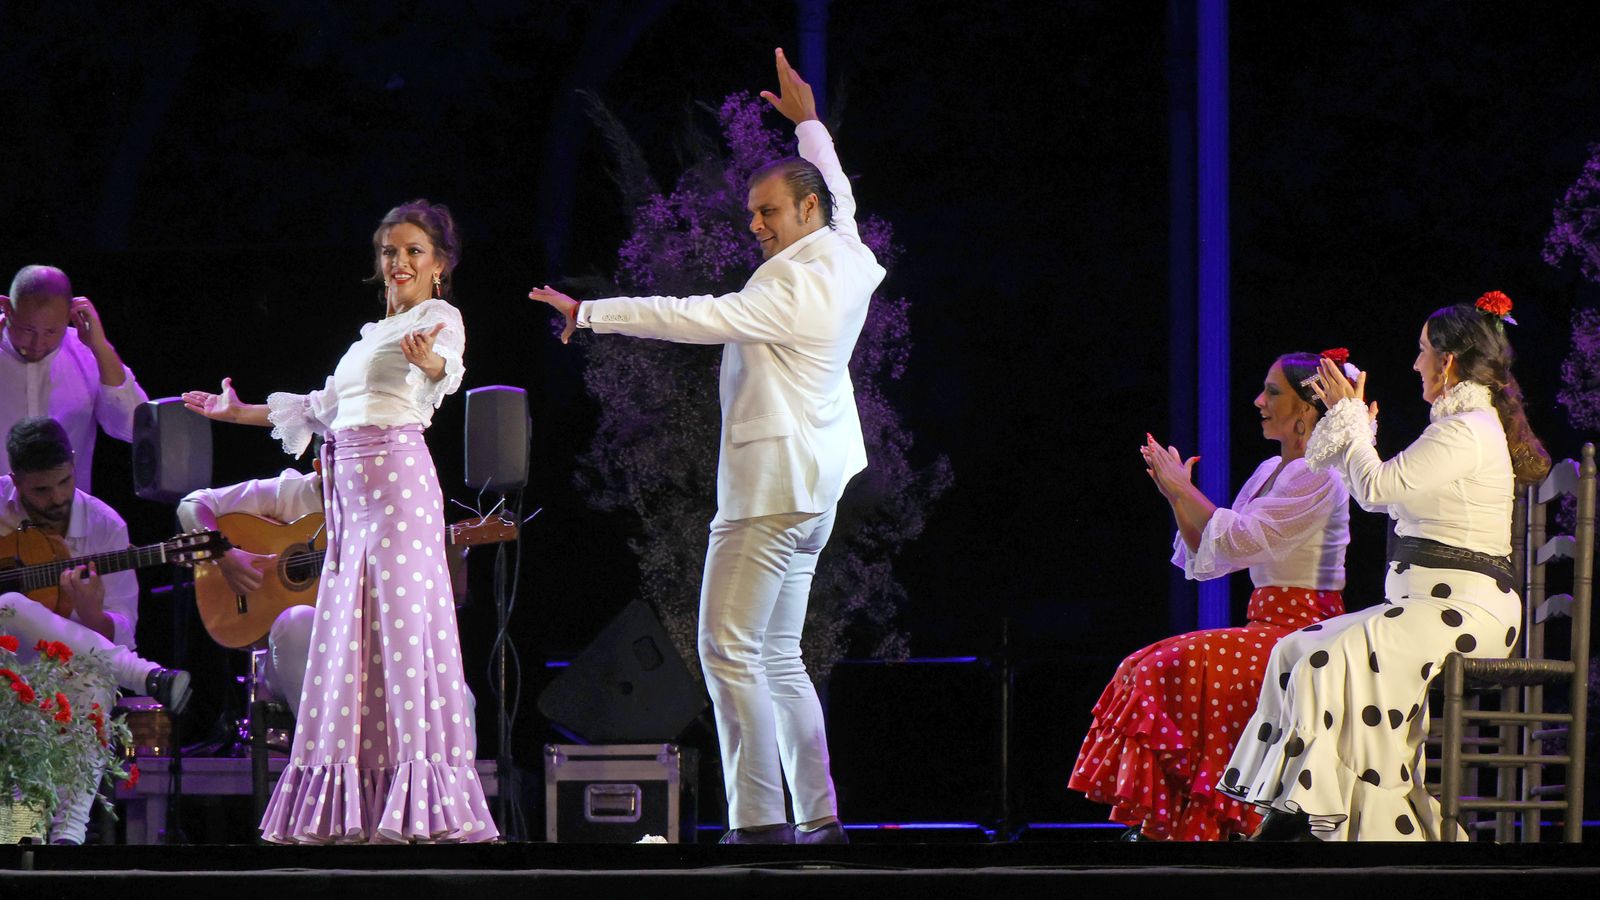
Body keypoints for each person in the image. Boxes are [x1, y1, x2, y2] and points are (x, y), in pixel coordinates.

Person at [528, 48, 882, 845]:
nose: (755, 225)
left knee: (726, 651)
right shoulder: (848, 253)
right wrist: (811, 126)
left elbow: (696, 315)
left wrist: (593, 315)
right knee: (779, 657)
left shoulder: (790, 285)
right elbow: (846, 196)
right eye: (754, 212)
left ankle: (759, 823)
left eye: (769, 213)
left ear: (806, 213)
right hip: (816, 490)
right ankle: (819, 818)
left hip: (766, 490)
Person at [181, 199, 495, 844]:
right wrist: (234, 413)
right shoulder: (365, 342)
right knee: (351, 643)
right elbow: (318, 409)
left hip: (396, 488)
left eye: (414, 251)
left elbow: (448, 370)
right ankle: (352, 805)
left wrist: (429, 362)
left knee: (403, 637)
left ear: (440, 265)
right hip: (348, 501)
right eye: (390, 251)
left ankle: (421, 806)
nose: (399, 262)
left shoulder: (440, 318)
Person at [1221, 292, 1548, 841]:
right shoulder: (1456, 426)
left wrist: (1349, 420)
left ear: (1447, 361)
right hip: (1428, 607)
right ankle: (1296, 809)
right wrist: (1355, 433)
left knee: (1329, 658)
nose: (1415, 363)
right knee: (1294, 647)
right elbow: (1391, 495)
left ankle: (1323, 824)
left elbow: (1375, 490)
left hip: (1465, 613)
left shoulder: (1466, 428)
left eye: (1423, 352)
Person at [1069, 353, 1352, 841]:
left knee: (1162, 667)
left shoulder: (1318, 472)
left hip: (1304, 632)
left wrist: (1184, 490)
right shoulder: (1271, 468)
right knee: (1139, 664)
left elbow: (1240, 535)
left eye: (1273, 392)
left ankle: (1194, 823)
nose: (1259, 401)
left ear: (1307, 408)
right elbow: (1213, 552)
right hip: (1266, 628)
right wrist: (1176, 495)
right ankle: (1173, 826)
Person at [0, 416, 191, 844]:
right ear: (15, 480)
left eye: (64, 483)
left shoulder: (106, 526)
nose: (57, 499)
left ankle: (58, 836)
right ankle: (145, 675)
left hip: (63, 670)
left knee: (89, 680)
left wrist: (92, 615)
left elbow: (121, 628)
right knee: (10, 605)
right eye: (41, 490)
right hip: (3, 660)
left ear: (72, 464)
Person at [176, 468, 473, 720]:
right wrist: (223, 553)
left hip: (375, 654)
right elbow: (193, 504)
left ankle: (442, 786)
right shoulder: (292, 492)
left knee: (458, 698)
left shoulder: (394, 505)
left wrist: (446, 555)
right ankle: (329, 766)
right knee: (296, 621)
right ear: (322, 466)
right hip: (293, 661)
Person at [0, 265, 148, 494]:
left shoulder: (86, 353)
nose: (38, 344)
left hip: (64, 518)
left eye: (51, 332)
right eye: (28, 330)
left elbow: (134, 427)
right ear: (7, 308)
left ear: (70, 315)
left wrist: (100, 347)